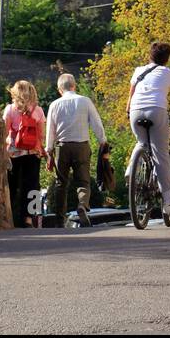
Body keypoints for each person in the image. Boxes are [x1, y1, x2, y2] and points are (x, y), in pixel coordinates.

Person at [128, 42, 170, 213]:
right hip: (156, 110)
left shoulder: (138, 71)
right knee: (161, 153)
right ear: (167, 59)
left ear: (149, 56)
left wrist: (128, 109)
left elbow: (131, 93)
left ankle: (131, 169)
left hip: (135, 111)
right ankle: (168, 199)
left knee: (142, 141)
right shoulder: (167, 73)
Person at [45, 72, 106, 228]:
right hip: (81, 145)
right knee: (83, 180)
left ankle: (60, 219)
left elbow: (50, 130)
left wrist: (49, 151)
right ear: (74, 86)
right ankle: (82, 205)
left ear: (60, 89)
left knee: (61, 183)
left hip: (62, 147)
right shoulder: (85, 101)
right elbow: (96, 123)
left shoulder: (54, 105)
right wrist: (102, 141)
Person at [3, 80, 46, 229]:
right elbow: (41, 135)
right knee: (32, 186)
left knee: (12, 185)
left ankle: (10, 217)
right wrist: (41, 149)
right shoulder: (38, 110)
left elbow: (4, 132)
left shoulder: (10, 109)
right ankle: (29, 218)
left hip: (14, 153)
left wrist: (5, 149)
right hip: (32, 152)